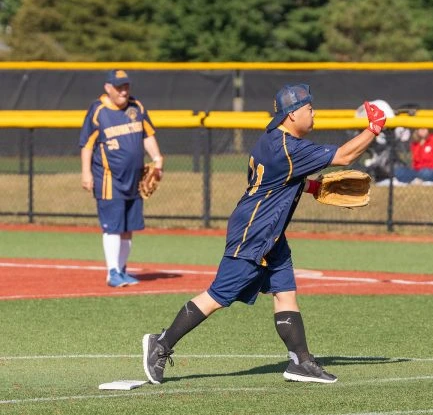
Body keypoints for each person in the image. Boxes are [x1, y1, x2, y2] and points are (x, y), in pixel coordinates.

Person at [141, 84, 386, 385]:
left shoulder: (272, 140)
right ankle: (161, 344)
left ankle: (301, 362)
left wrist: (311, 187)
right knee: (218, 295)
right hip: (254, 232)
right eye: (310, 108)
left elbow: (277, 180)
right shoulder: (289, 148)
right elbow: (345, 155)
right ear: (293, 114)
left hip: (270, 232)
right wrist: (374, 128)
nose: (314, 113)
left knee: (285, 293)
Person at [79, 69, 163, 288]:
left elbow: (148, 135)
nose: (124, 91)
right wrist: (86, 173)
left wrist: (158, 159)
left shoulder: (137, 107)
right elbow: (87, 146)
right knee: (113, 226)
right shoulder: (98, 111)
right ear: (108, 88)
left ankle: (123, 270)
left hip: (134, 179)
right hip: (108, 179)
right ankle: (112, 272)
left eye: (126, 86)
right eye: (119, 87)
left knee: (128, 227)